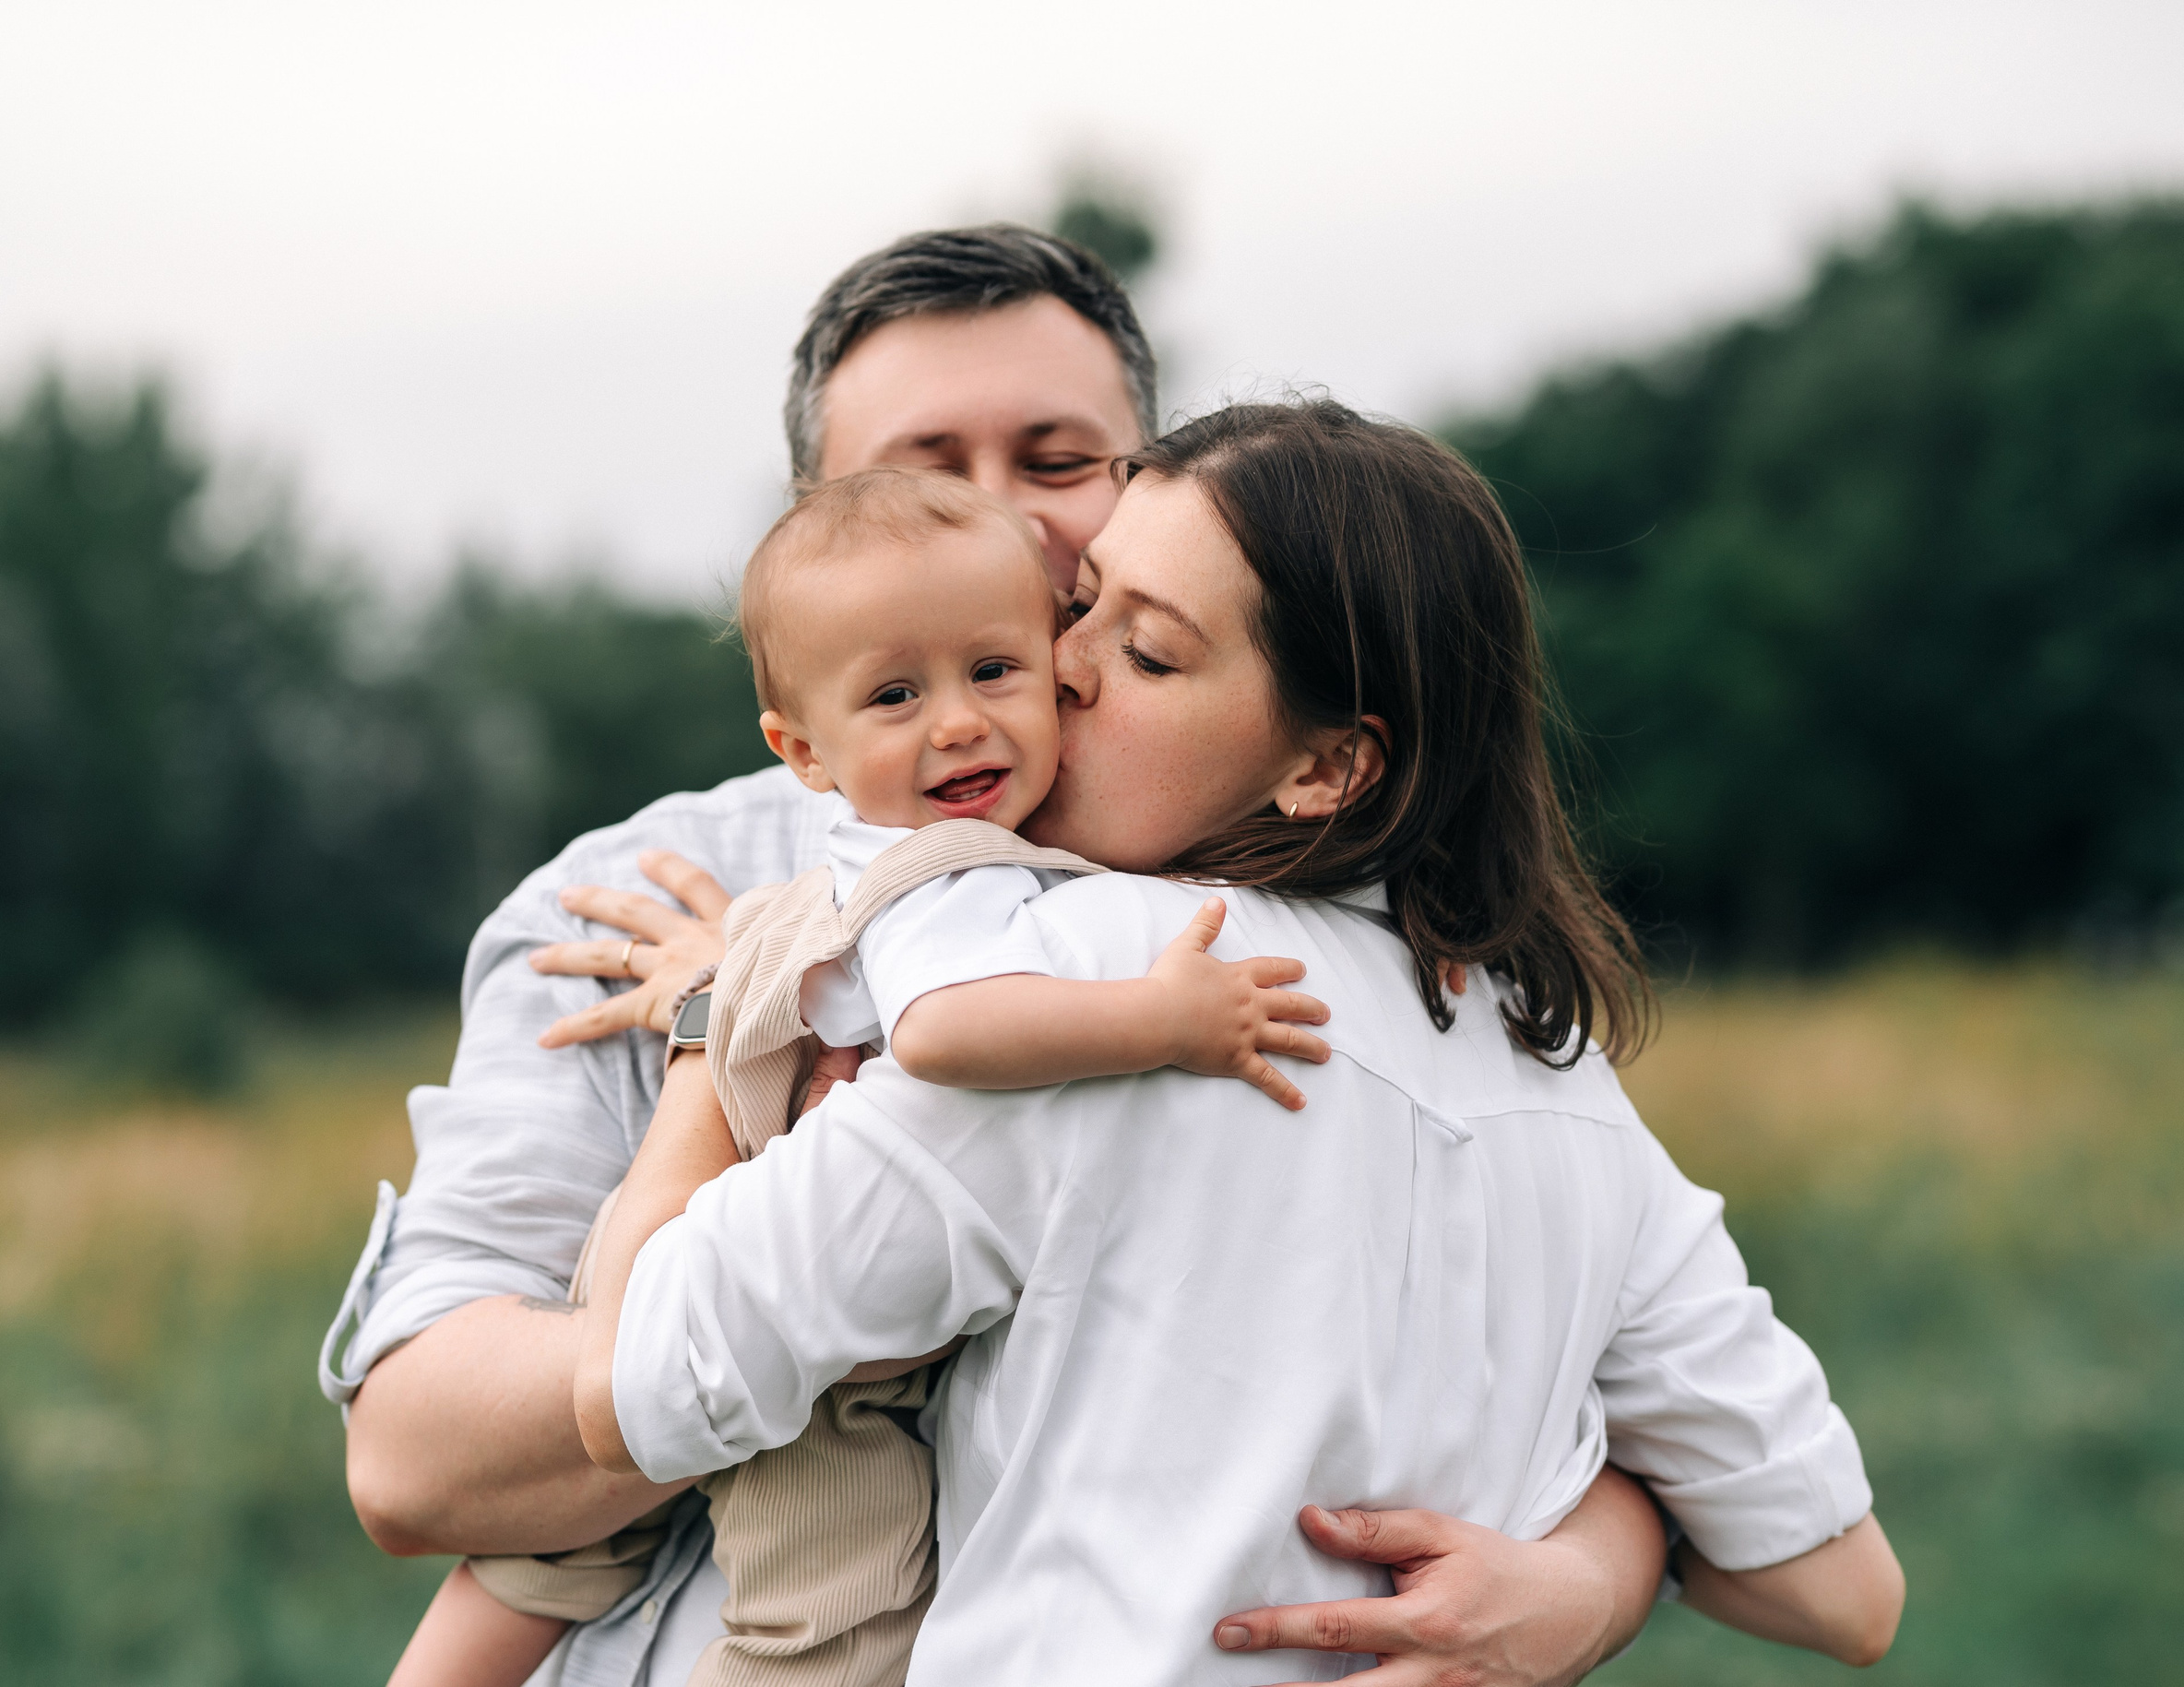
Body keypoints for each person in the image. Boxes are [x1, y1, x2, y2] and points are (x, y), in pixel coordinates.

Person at [326, 226, 1676, 1687]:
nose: (1004, 516)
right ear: (812, 529)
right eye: (921, 470)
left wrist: (1584, 1587)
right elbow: (412, 1458)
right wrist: (739, 1065)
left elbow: (1614, 1362)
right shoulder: (640, 899)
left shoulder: (1302, 897)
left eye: (1059, 458)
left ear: (1151, 485)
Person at [569, 400, 1906, 1682]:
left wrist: (720, 1020)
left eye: (1148, 652)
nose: (1060, 668)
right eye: (1079, 603)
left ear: (1327, 768)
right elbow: (1842, 1591)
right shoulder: (1569, 1085)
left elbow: (637, 1383)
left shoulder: (1095, 982)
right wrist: (1593, 1577)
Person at [388, 469, 1334, 1687]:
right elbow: (945, 1031)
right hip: (797, 1321)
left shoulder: (918, 843)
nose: (959, 723)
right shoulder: (950, 867)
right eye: (896, 695)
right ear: (800, 747)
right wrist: (1159, 1019)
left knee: (547, 1560)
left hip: (695, 1248)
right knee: (828, 1625)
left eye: (994, 670)